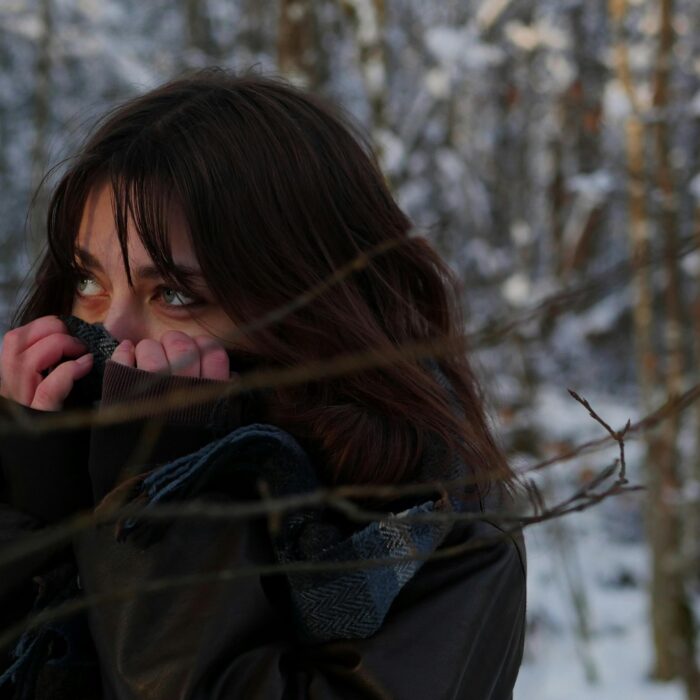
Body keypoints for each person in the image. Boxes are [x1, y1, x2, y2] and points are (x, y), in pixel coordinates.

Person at [0, 68, 527, 699]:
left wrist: (160, 511)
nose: (111, 329)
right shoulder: (48, 442)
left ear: (308, 307)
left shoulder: (432, 528)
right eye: (88, 282)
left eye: (172, 293)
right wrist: (31, 512)